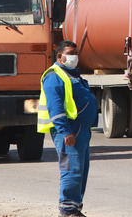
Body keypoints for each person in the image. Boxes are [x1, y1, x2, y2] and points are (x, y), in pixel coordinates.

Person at [38, 41, 98, 217]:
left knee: (80, 171)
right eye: (71, 52)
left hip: (81, 129)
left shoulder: (72, 74)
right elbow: (55, 107)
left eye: (76, 52)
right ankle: (67, 210)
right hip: (70, 131)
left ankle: (75, 208)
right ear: (59, 56)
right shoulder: (54, 76)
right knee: (71, 170)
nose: (75, 56)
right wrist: (65, 131)